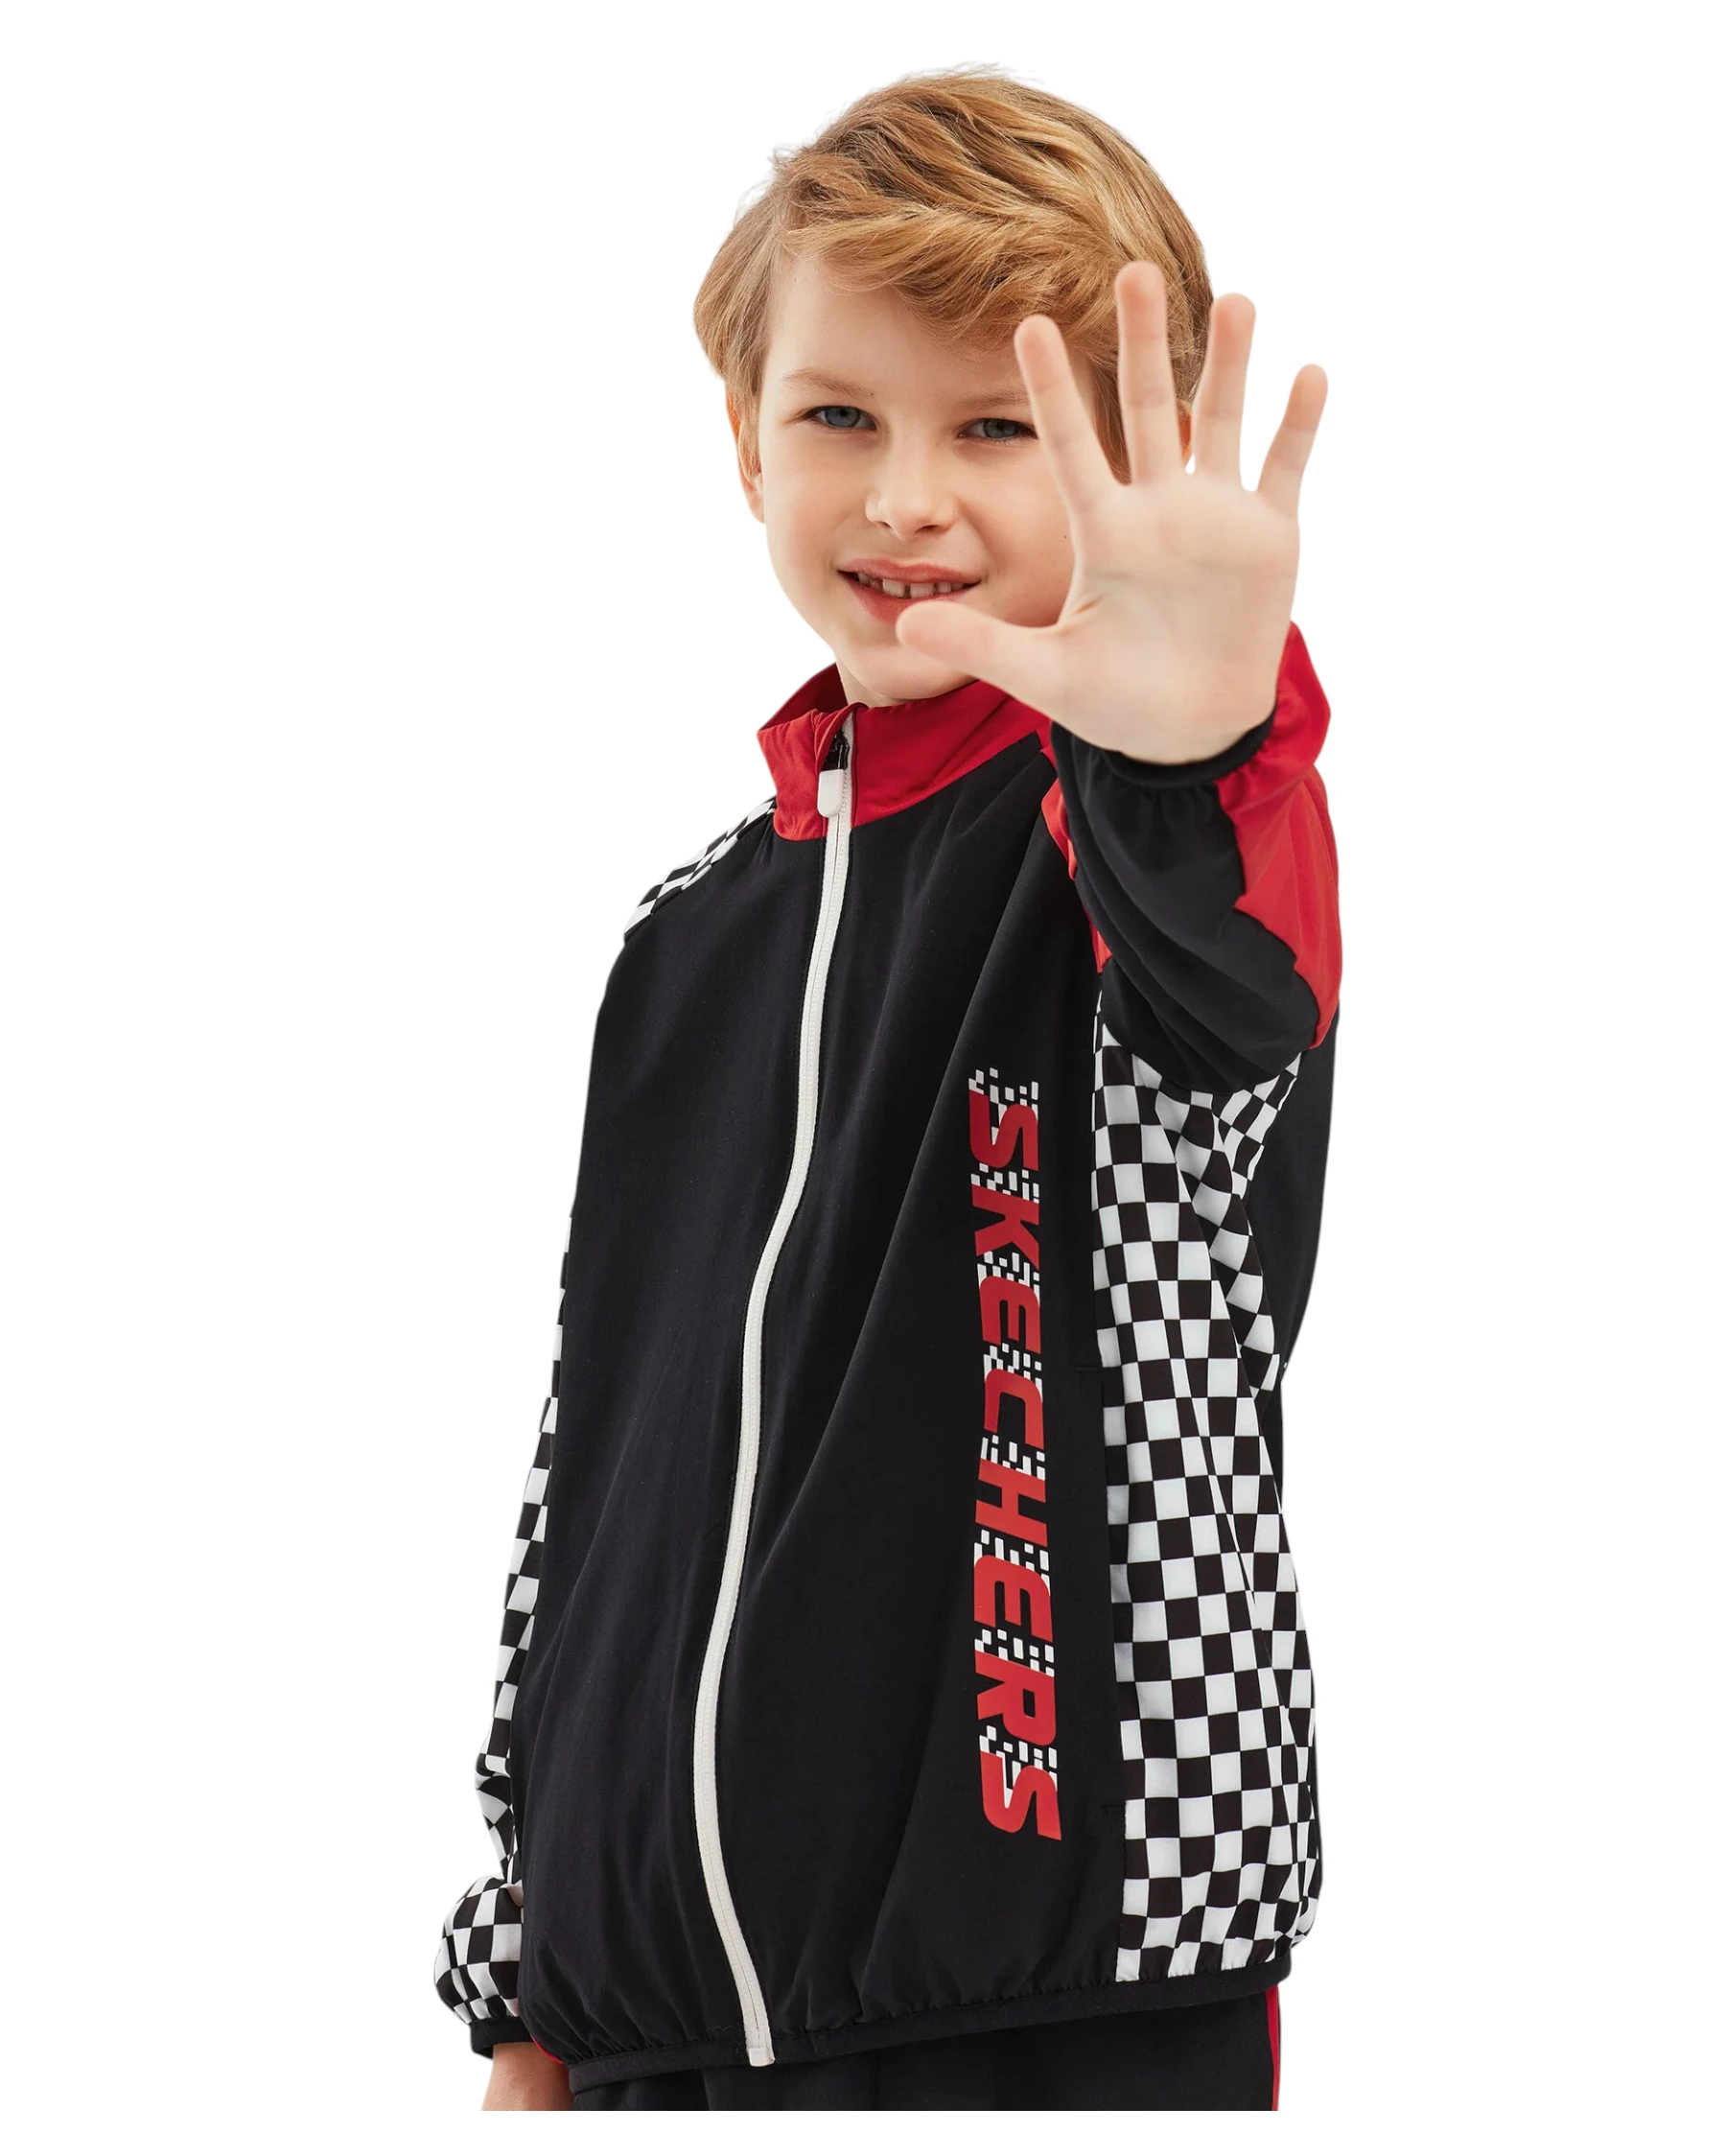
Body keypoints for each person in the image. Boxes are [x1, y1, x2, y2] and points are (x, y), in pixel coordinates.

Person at [432, 67, 1340, 2112]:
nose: (905, 496)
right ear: (743, 437)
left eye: (995, 428)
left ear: (1122, 461)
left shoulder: (1133, 856)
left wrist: (1196, 744)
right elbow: (591, 1478)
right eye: (840, 416)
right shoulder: (684, 942)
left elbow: (1235, 995)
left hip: (1050, 1990)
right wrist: (529, 1981)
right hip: (651, 2028)